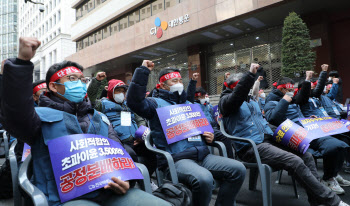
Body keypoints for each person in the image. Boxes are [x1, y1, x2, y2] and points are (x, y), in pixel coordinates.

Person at [0, 37, 170, 206]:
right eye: (72, 79)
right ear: (53, 86)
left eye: (82, 80)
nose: (80, 84)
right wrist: (21, 64)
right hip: (66, 199)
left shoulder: (100, 118)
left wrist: (128, 181)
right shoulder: (38, 117)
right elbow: (15, 111)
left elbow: (119, 155)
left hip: (111, 192)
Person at [219, 63, 348, 206]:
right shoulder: (226, 102)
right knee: (294, 161)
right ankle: (333, 201)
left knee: (306, 156)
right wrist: (250, 75)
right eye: (245, 87)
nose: (249, 90)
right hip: (250, 147)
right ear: (235, 87)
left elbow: (264, 123)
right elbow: (237, 96)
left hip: (267, 141)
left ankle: (316, 201)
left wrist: (288, 134)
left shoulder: (251, 102)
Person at [127, 60, 246, 206]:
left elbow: (204, 127)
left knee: (238, 169)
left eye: (179, 80)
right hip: (177, 160)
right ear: (163, 85)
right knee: (204, 178)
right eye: (173, 81)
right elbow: (134, 102)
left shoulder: (190, 105)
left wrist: (210, 135)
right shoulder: (155, 104)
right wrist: (142, 71)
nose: (178, 83)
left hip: (203, 155)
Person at [264, 73, 349, 195]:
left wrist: (309, 118)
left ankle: (332, 175)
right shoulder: (271, 102)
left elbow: (299, 115)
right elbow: (273, 119)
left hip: (310, 130)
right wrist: (284, 101)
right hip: (295, 137)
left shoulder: (293, 100)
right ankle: (328, 179)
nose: (292, 92)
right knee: (330, 147)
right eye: (289, 90)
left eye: (293, 89)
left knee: (340, 144)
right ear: (282, 89)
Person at [87, 72, 158, 189]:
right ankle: (134, 184)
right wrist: (96, 81)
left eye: (123, 91)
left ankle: (147, 179)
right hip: (118, 143)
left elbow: (139, 118)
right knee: (131, 155)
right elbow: (91, 98)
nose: (121, 93)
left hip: (136, 139)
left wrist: (141, 134)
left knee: (152, 152)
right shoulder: (102, 105)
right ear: (111, 92)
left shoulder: (129, 104)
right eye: (117, 91)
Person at [193, 86, 234, 158]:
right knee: (225, 137)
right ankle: (230, 158)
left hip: (213, 125)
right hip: (205, 128)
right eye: (200, 97)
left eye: (203, 96)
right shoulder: (194, 106)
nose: (202, 98)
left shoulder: (207, 105)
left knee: (228, 131)